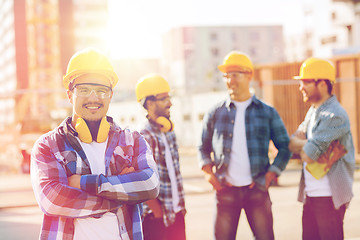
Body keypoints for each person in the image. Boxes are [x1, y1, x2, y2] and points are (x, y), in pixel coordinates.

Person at [30, 48, 159, 240]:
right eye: (83, 90)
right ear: (69, 94)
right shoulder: (48, 145)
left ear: (111, 95)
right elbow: (53, 200)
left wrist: (83, 183)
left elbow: (150, 184)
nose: (93, 98)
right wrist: (121, 197)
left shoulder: (133, 141)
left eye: (101, 90)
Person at [198, 51, 292, 240]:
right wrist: (210, 175)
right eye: (226, 76)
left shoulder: (267, 112)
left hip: (257, 190)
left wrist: (270, 175)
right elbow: (203, 147)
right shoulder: (215, 113)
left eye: (235, 75)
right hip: (225, 190)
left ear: (249, 76)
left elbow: (285, 146)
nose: (230, 80)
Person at [288, 57, 355, 240]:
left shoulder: (335, 115)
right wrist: (309, 143)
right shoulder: (313, 111)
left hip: (329, 198)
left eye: (306, 82)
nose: (301, 87)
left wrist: (307, 145)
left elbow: (309, 155)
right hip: (312, 195)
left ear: (323, 84)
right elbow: (293, 144)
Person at [135, 74, 186, 240]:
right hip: (156, 219)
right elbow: (140, 179)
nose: (170, 103)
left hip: (176, 213)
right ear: (149, 103)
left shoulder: (168, 132)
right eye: (164, 98)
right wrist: (157, 211)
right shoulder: (143, 136)